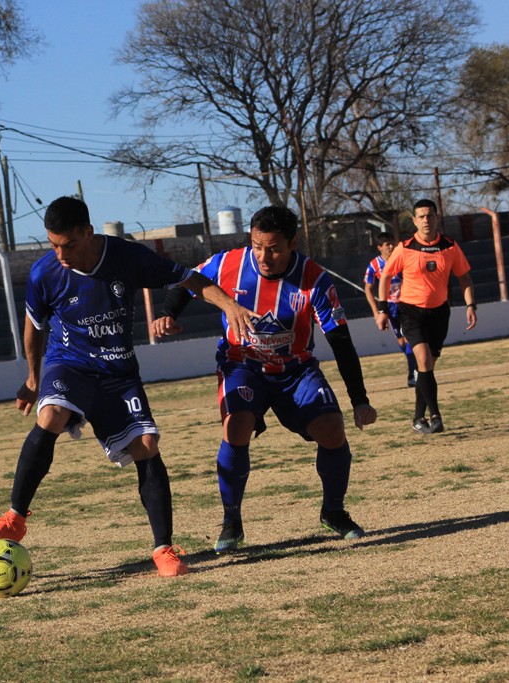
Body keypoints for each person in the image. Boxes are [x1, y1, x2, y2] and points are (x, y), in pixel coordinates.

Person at [0, 195, 251, 577]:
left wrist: (229, 306)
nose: (61, 254)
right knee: (52, 413)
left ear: (88, 231)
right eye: (53, 245)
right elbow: (34, 326)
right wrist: (34, 378)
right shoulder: (44, 274)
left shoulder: (127, 257)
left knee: (146, 446)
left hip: (118, 372)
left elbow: (189, 278)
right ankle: (15, 519)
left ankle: (164, 550)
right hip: (68, 362)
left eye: (68, 244)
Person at [153, 206, 378, 553]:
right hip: (241, 365)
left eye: (273, 248)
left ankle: (333, 511)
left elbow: (341, 342)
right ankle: (231, 521)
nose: (264, 256)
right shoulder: (230, 263)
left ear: (292, 243)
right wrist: (168, 312)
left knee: (333, 431)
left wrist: (359, 399)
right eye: (258, 246)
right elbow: (188, 279)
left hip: (296, 371)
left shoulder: (314, 279)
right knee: (236, 426)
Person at [377, 199, 476, 434]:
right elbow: (385, 277)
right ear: (414, 220)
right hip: (411, 312)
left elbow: (464, 277)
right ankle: (436, 416)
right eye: (420, 216)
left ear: (436, 218)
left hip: (440, 313)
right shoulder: (405, 247)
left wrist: (471, 304)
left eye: (429, 216)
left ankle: (417, 417)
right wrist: (382, 310)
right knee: (422, 360)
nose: (425, 220)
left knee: (427, 367)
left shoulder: (450, 246)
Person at [364, 232, 418, 387]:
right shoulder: (374, 265)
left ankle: (412, 374)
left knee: (408, 338)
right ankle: (414, 365)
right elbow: (368, 288)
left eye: (392, 243)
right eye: (387, 244)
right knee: (401, 342)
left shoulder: (401, 259)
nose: (391, 247)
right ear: (380, 248)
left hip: (406, 304)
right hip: (389, 307)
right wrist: (377, 312)